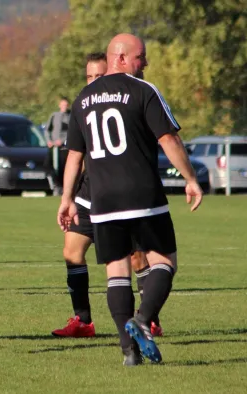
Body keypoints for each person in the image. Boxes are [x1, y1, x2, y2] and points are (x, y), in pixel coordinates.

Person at [58, 34, 203, 366]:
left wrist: (66, 198)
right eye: (142, 57)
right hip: (143, 193)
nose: (146, 63)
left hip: (102, 198)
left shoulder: (83, 98)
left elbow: (74, 156)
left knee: (117, 272)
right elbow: (168, 138)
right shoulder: (143, 91)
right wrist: (191, 179)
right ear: (121, 58)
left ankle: (129, 352)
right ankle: (144, 318)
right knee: (165, 261)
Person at [52, 52, 163, 339]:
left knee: (136, 259)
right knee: (72, 253)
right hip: (89, 193)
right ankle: (83, 321)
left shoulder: (131, 100)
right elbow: (74, 156)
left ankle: (148, 318)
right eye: (88, 77)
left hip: (121, 193)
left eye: (98, 77)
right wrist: (68, 197)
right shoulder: (84, 105)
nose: (93, 82)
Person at [45, 97, 71, 190]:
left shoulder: (70, 117)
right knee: (48, 165)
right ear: (59, 105)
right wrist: (49, 140)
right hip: (53, 147)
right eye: (62, 104)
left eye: (66, 105)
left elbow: (71, 132)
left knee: (63, 167)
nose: (64, 107)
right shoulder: (54, 116)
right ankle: (54, 184)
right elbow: (47, 130)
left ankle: (63, 186)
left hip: (64, 147)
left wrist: (63, 140)